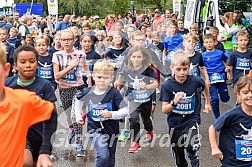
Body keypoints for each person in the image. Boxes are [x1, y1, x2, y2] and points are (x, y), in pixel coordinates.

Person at [4, 45, 57, 167]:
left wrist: (46, 147)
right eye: (23, 62)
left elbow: (51, 116)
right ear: (15, 65)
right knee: (25, 162)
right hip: (16, 134)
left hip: (39, 134)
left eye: (32, 61)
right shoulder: (7, 84)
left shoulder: (45, 85)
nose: (28, 65)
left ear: (37, 64)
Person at [159, 50, 211, 167]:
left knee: (192, 144)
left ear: (189, 67)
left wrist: (207, 102)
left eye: (185, 69)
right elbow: (164, 110)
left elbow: (205, 86)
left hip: (191, 119)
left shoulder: (195, 81)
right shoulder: (167, 86)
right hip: (175, 123)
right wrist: (174, 102)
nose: (182, 73)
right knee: (179, 160)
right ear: (171, 68)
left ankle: (193, 156)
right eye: (178, 69)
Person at [73, 59, 128, 167]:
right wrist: (78, 116)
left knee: (110, 159)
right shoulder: (88, 91)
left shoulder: (114, 93)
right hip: (95, 130)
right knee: (103, 155)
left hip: (112, 130)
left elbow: (125, 110)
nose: (102, 80)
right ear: (93, 76)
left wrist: (112, 114)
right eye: (99, 77)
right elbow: (78, 100)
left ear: (111, 78)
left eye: (106, 78)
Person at [52, 29, 91, 156]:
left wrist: (89, 79)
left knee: (76, 115)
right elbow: (57, 76)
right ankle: (72, 129)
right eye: (63, 39)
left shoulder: (80, 54)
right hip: (64, 89)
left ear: (74, 40)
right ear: (60, 41)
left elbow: (85, 68)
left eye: (69, 39)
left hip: (78, 88)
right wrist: (70, 66)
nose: (66, 42)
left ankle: (79, 144)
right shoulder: (56, 55)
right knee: (69, 116)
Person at [116, 46, 159, 153]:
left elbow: (156, 83)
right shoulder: (126, 69)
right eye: (134, 57)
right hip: (132, 99)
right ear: (130, 57)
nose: (136, 59)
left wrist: (147, 86)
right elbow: (119, 81)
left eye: (139, 57)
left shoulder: (147, 70)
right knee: (133, 118)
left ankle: (149, 130)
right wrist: (117, 90)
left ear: (143, 58)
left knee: (146, 120)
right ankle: (135, 142)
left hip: (146, 100)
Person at [209, 75, 252, 167]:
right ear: (238, 94)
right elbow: (212, 128)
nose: (250, 95)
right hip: (231, 163)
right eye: (245, 92)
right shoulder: (232, 114)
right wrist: (214, 148)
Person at [202, 34, 230, 119]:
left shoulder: (220, 53)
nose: (209, 44)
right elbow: (202, 67)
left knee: (225, 99)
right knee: (214, 99)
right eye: (206, 42)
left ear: (214, 42)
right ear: (204, 44)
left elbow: (226, 60)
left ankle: (224, 95)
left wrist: (227, 69)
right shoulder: (203, 56)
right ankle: (217, 117)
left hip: (221, 77)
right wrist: (206, 78)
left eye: (210, 42)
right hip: (211, 79)